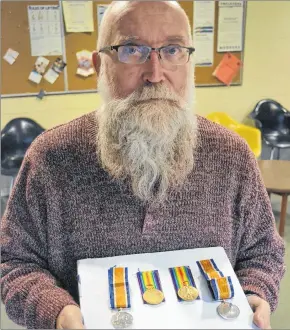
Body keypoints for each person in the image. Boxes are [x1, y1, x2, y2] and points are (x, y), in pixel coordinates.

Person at [1, 1, 285, 329]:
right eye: (132, 49)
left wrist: (253, 291)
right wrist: (58, 312)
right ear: (99, 64)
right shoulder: (50, 158)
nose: (155, 73)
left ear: (189, 62)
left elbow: (263, 250)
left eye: (173, 50)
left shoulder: (232, 155)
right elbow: (15, 261)